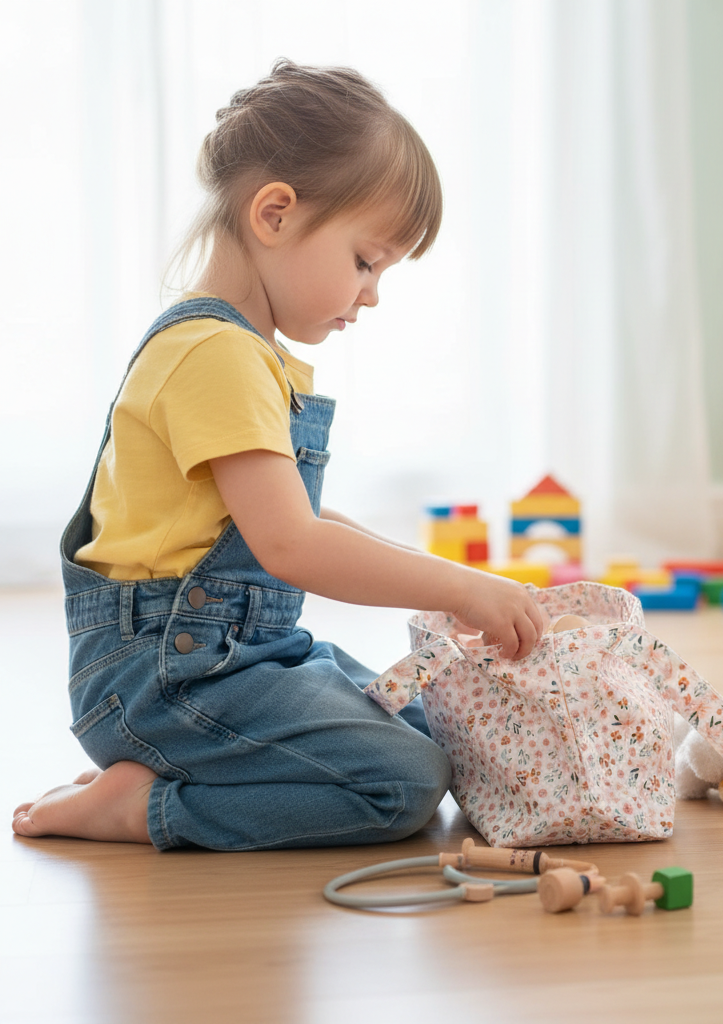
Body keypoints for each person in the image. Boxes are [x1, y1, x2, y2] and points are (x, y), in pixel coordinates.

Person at [12, 61, 544, 851]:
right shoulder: (213, 354)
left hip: (236, 657)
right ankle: (147, 807)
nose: (371, 295)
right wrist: (463, 588)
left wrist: (452, 585)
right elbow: (290, 544)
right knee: (401, 784)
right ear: (274, 214)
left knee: (438, 723)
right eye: (366, 261)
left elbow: (296, 517)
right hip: (167, 678)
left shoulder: (242, 353)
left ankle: (180, 772)